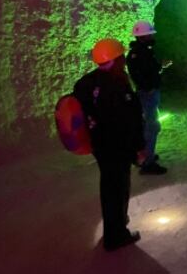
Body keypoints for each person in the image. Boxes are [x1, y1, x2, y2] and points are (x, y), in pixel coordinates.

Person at [74, 38, 144, 251]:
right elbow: (131, 119)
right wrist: (139, 147)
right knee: (118, 188)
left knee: (108, 186)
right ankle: (116, 234)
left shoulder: (85, 83)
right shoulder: (118, 84)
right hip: (118, 147)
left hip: (100, 146)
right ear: (115, 59)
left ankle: (116, 223)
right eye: (121, 56)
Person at [126, 21, 172, 175]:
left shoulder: (142, 52)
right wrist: (149, 87)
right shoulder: (140, 54)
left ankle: (147, 154)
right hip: (147, 94)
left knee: (149, 125)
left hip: (147, 93)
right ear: (143, 36)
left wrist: (161, 66)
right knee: (151, 127)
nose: (152, 36)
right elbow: (140, 75)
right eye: (150, 34)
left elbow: (149, 70)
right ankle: (147, 162)